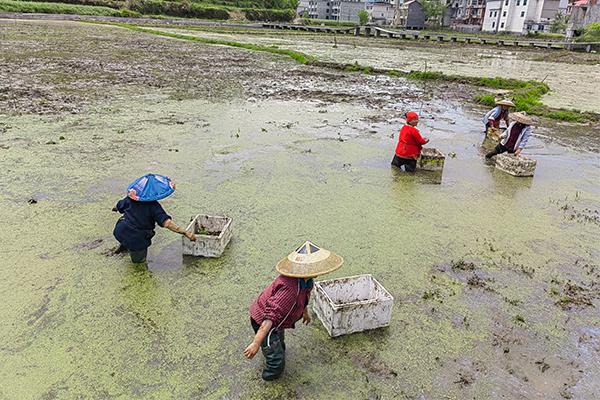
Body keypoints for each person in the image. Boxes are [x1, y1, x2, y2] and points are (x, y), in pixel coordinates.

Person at [244, 241, 343, 381]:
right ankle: (269, 380)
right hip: (263, 319)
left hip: (277, 321)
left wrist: (305, 312)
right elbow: (269, 318)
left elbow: (303, 297)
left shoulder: (307, 281)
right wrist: (255, 343)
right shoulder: (289, 289)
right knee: (276, 360)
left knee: (279, 342)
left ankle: (272, 349)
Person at [112, 173, 196, 264]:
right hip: (136, 239)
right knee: (139, 263)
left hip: (120, 230)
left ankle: (123, 246)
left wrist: (115, 209)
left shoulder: (131, 198)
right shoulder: (154, 207)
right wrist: (186, 233)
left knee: (126, 234)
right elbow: (167, 223)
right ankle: (136, 263)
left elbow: (118, 206)